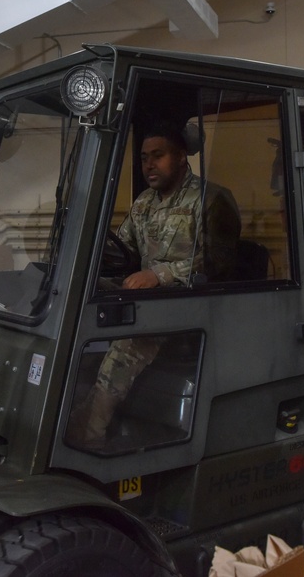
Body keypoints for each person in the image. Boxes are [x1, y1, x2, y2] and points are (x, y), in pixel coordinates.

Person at [67, 123, 239, 448]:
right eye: (145, 157)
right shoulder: (144, 202)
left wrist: (161, 274)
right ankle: (73, 420)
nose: (149, 165)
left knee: (126, 345)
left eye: (157, 156)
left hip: (190, 310)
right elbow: (125, 249)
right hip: (148, 304)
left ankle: (89, 436)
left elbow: (219, 265)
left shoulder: (212, 199)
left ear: (180, 156)